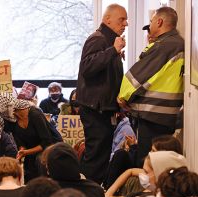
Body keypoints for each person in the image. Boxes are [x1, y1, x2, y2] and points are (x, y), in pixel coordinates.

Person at [118, 7, 184, 164]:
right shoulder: (177, 43)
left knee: (147, 162)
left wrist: (122, 97)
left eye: (151, 21)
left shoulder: (164, 45)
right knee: (160, 161)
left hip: (153, 113)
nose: (150, 25)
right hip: (165, 114)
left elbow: (135, 77)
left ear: (159, 21)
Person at [76, 4, 128, 184]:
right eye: (122, 19)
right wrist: (112, 51)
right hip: (94, 110)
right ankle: (88, 194)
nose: (126, 23)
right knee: (96, 157)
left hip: (103, 109)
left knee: (100, 155)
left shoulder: (109, 42)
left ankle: (91, 192)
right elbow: (87, 68)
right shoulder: (98, 39)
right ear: (107, 20)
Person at [12, 99, 61, 182]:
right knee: (28, 169)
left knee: (40, 160)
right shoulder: (14, 121)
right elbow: (21, 143)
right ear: (16, 112)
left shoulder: (35, 114)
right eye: (24, 109)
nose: (26, 110)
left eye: (27, 108)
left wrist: (27, 152)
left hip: (51, 145)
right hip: (33, 147)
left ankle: (46, 185)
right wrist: (21, 152)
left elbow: (47, 141)